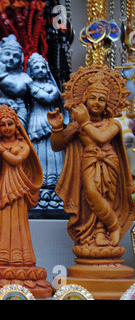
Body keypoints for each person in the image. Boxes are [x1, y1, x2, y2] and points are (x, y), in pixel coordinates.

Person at [48, 68, 135, 251]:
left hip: (109, 161)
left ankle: (103, 231)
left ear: (108, 104)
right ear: (84, 100)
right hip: (88, 161)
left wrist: (85, 122)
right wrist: (57, 129)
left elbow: (102, 138)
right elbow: (58, 145)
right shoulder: (77, 125)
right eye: (93, 98)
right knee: (91, 193)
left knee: (106, 195)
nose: (97, 103)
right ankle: (113, 226)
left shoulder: (112, 124)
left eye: (102, 99)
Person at [0, 104, 43, 265]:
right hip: (0, 184)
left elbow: (16, 161)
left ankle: (20, 256)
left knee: (17, 220)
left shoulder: (22, 146)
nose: (6, 128)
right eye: (2, 125)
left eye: (10, 123)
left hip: (17, 186)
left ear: (17, 125)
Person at [26, 53, 64, 207]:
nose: (40, 70)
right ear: (31, 71)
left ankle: (54, 186)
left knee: (52, 151)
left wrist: (31, 87)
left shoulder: (51, 87)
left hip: (50, 120)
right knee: (37, 151)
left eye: (43, 67)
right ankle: (36, 183)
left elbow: (48, 98)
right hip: (35, 120)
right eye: (37, 68)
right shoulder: (29, 85)